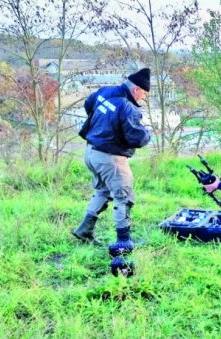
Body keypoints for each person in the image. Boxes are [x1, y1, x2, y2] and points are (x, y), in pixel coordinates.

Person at [72, 68, 152, 252]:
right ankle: (123, 242)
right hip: (111, 158)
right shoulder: (127, 107)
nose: (143, 98)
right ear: (136, 90)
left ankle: (84, 230)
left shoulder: (104, 91)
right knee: (123, 197)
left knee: (102, 191)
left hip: (91, 152)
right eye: (144, 94)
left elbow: (88, 105)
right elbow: (137, 138)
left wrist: (104, 123)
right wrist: (148, 134)